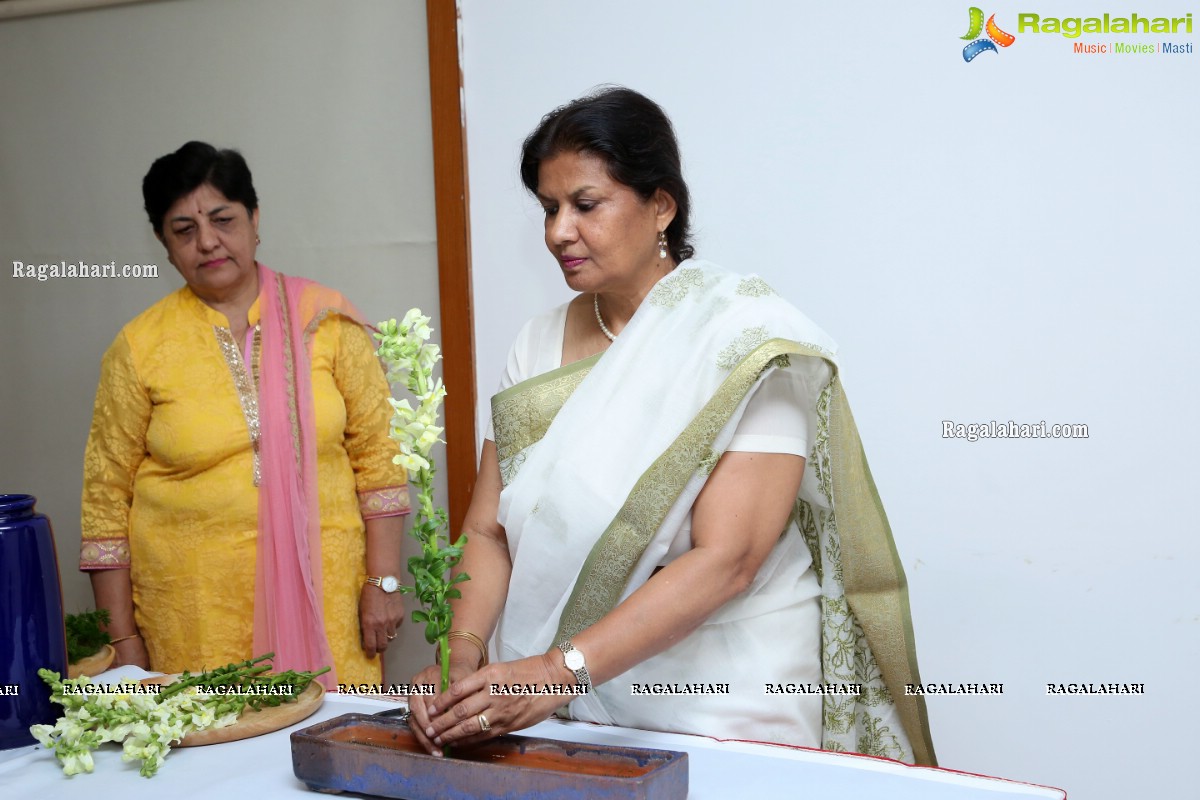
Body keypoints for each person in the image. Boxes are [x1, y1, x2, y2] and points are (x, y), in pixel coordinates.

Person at [408, 87, 936, 765]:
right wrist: (463, 655)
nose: (557, 232)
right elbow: (489, 530)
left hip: (721, 696)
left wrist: (553, 671)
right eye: (548, 209)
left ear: (661, 205)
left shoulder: (742, 339)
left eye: (585, 205)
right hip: (553, 702)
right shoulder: (534, 348)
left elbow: (728, 560)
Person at [79, 142, 410, 689]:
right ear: (164, 245)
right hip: (194, 619)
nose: (207, 241)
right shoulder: (140, 346)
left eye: (222, 219)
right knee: (213, 763)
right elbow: (104, 503)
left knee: (331, 756)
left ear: (255, 220)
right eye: (183, 230)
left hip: (326, 599)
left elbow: (380, 461)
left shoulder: (325, 319)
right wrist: (124, 641)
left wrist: (384, 581)